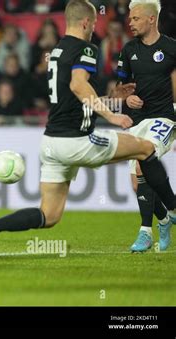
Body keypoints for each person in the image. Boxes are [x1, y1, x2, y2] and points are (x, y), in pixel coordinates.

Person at [0, 0, 176, 261]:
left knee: (48, 216)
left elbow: (77, 99)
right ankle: (171, 211)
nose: (94, 28)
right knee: (145, 149)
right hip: (78, 141)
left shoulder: (57, 51)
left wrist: (114, 99)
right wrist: (112, 117)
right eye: (93, 24)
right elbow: (78, 87)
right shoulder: (87, 49)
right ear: (85, 22)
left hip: (51, 144)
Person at [117, 0, 176, 252]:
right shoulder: (128, 50)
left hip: (164, 118)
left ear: (152, 19)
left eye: (136, 18)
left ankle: (145, 231)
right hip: (138, 121)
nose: (130, 23)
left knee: (144, 159)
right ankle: (165, 218)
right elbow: (118, 89)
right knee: (137, 183)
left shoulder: (172, 49)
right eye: (130, 19)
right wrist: (126, 97)